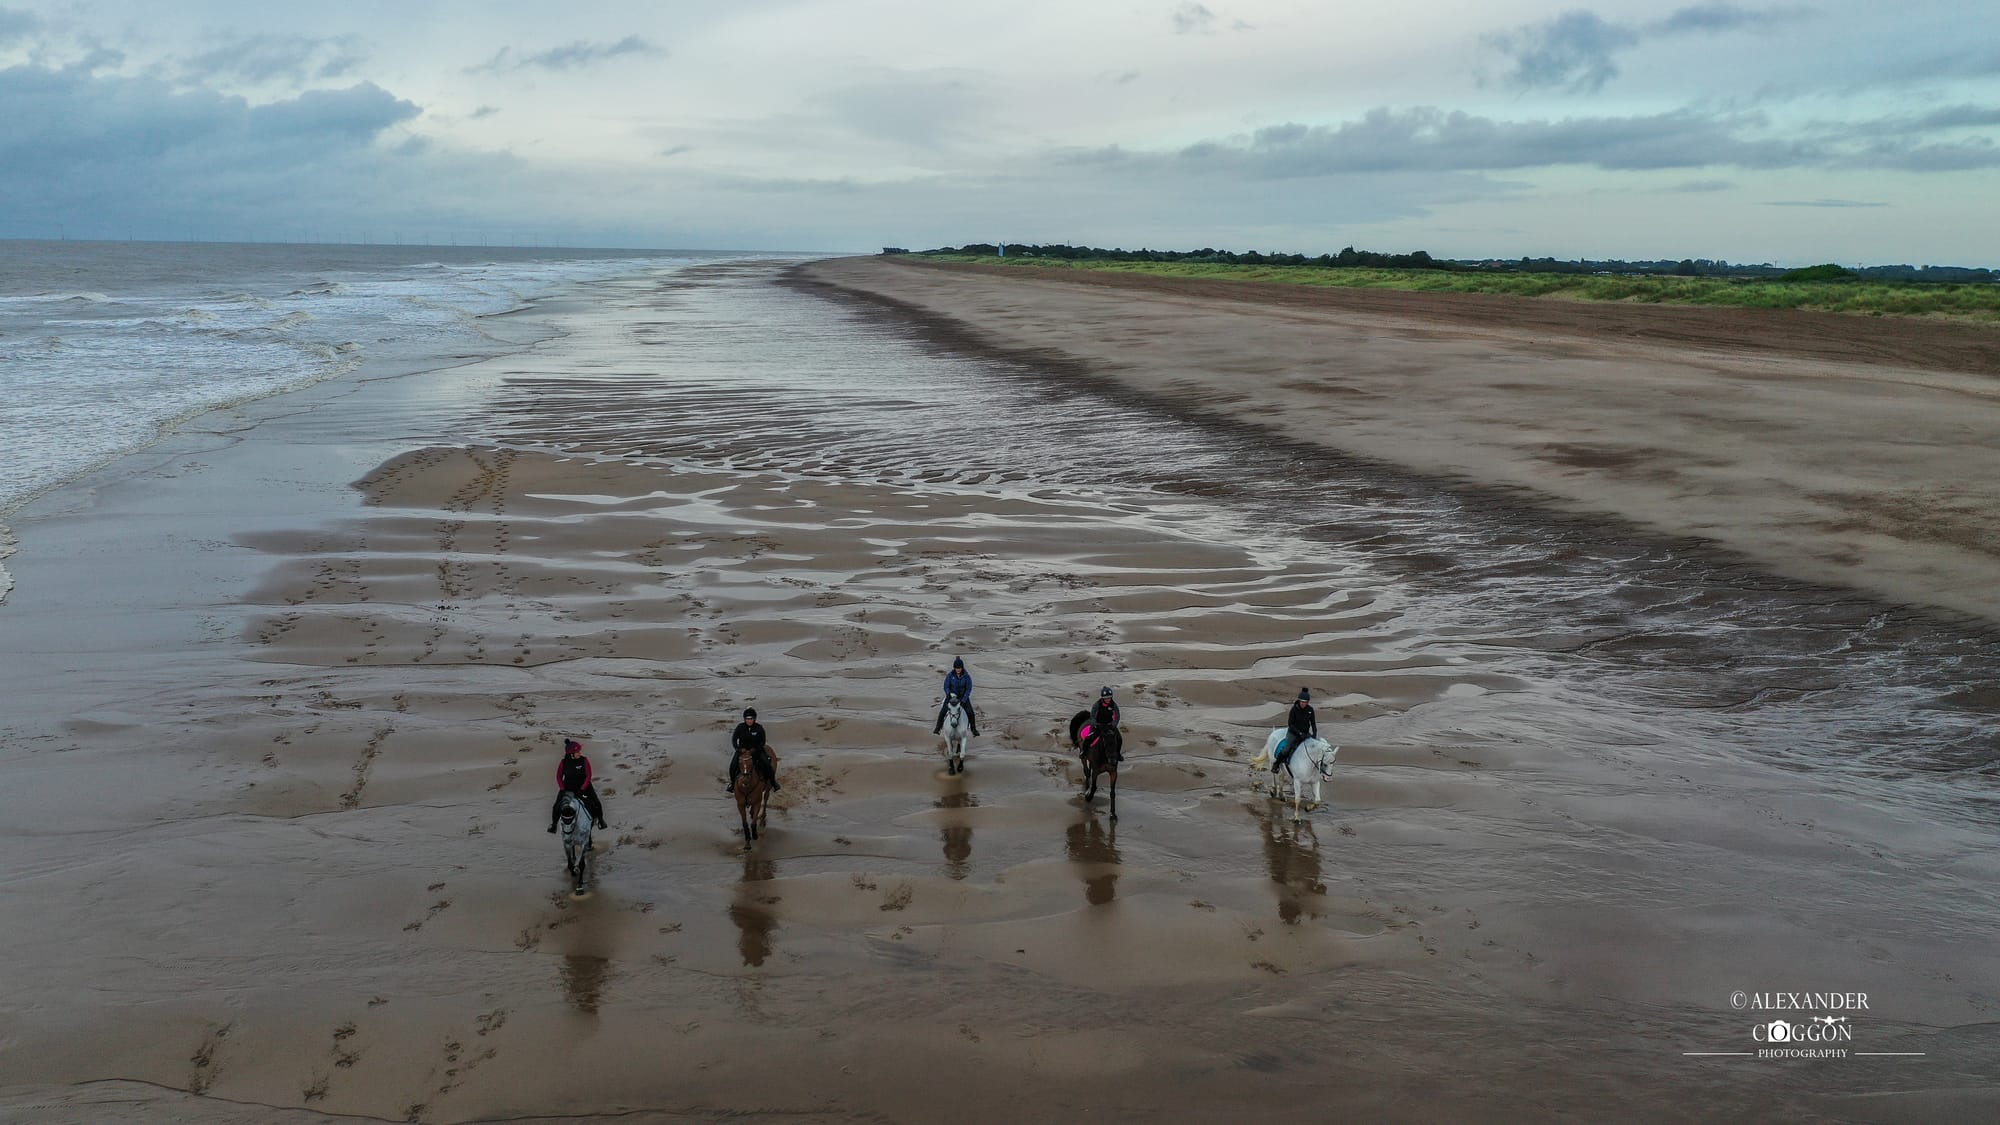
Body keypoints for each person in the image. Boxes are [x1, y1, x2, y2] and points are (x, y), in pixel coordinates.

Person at [549, 738, 607, 831]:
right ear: (571, 754)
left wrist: (583, 789)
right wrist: (562, 788)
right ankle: (554, 825)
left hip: (584, 786)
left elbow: (588, 776)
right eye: (577, 752)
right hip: (568, 787)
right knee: (556, 806)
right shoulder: (563, 763)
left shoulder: (584, 760)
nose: (579, 753)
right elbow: (558, 776)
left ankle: (601, 821)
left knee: (596, 803)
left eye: (579, 751)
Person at [726, 707, 780, 792]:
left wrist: (754, 749)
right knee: (732, 766)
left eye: (751, 719)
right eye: (747, 719)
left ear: (754, 719)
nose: (749, 721)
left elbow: (762, 742)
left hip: (756, 751)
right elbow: (734, 740)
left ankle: (773, 783)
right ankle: (732, 784)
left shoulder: (759, 728)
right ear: (744, 719)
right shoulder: (740, 727)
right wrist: (738, 749)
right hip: (742, 752)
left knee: (767, 765)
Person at [932, 657, 981, 736]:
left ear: (962, 668)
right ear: (954, 668)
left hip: (963, 697)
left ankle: (973, 730)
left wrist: (964, 699)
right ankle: (938, 728)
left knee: (971, 713)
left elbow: (969, 689)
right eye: (956, 668)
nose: (958, 670)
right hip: (951, 696)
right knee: (943, 711)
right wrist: (949, 694)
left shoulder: (967, 676)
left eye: (959, 668)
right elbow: (946, 686)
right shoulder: (950, 675)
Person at [1275, 688, 1317, 771]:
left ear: (1307, 702)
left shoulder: (1310, 710)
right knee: (1286, 749)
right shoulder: (1294, 710)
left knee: (1314, 748)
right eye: (1301, 701)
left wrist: (1315, 733)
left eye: (1305, 702)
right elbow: (1290, 724)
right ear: (1299, 701)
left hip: (1305, 734)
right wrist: (1299, 733)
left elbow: (1313, 723)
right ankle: (1276, 764)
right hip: (1293, 733)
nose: (1303, 704)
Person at [1084, 686, 1123, 762]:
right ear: (1102, 698)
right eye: (1106, 698)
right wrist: (1094, 724)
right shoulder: (1097, 705)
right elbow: (1092, 716)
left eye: (1109, 698)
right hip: (1098, 725)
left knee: (1119, 738)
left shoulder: (1114, 705)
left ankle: (1118, 754)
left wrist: (1113, 724)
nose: (1108, 699)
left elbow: (1117, 716)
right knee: (1088, 738)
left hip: (1109, 725)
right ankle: (1084, 752)